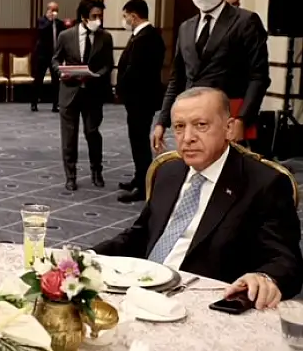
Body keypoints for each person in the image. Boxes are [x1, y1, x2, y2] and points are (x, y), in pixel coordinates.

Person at [93, 87, 303, 309]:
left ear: (229, 128)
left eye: (201, 125)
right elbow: (141, 234)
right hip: (141, 291)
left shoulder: (264, 183)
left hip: (203, 303)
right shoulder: (168, 171)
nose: (188, 138)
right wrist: (87, 257)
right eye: (179, 127)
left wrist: (265, 278)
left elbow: (286, 262)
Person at [153, 0, 269, 152]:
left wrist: (242, 119)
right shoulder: (186, 27)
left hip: (226, 118)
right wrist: (161, 122)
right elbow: (177, 78)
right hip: (191, 119)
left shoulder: (245, 21)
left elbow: (259, 77)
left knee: (227, 170)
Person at [51, 0, 114, 191]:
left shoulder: (105, 37)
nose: (98, 20)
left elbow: (108, 64)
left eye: (100, 16)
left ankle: (97, 171)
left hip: (93, 92)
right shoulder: (66, 36)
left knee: (92, 133)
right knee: (69, 137)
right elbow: (55, 60)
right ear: (84, 17)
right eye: (94, 16)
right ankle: (70, 176)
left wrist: (98, 75)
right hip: (69, 91)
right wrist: (61, 71)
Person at [115, 0, 166, 203]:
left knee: (139, 142)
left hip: (141, 98)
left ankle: (144, 186)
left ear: (134, 16)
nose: (124, 20)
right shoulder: (142, 35)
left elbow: (135, 70)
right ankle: (139, 177)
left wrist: (121, 87)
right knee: (137, 140)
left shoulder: (147, 38)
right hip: (137, 98)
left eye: (125, 16)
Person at [32, 1, 65, 112]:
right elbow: (42, 31)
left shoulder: (59, 23)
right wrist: (50, 20)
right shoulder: (41, 21)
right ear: (48, 10)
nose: (55, 12)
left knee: (56, 81)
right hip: (42, 55)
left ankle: (55, 104)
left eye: (56, 10)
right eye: (53, 10)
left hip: (55, 56)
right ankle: (34, 103)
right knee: (38, 79)